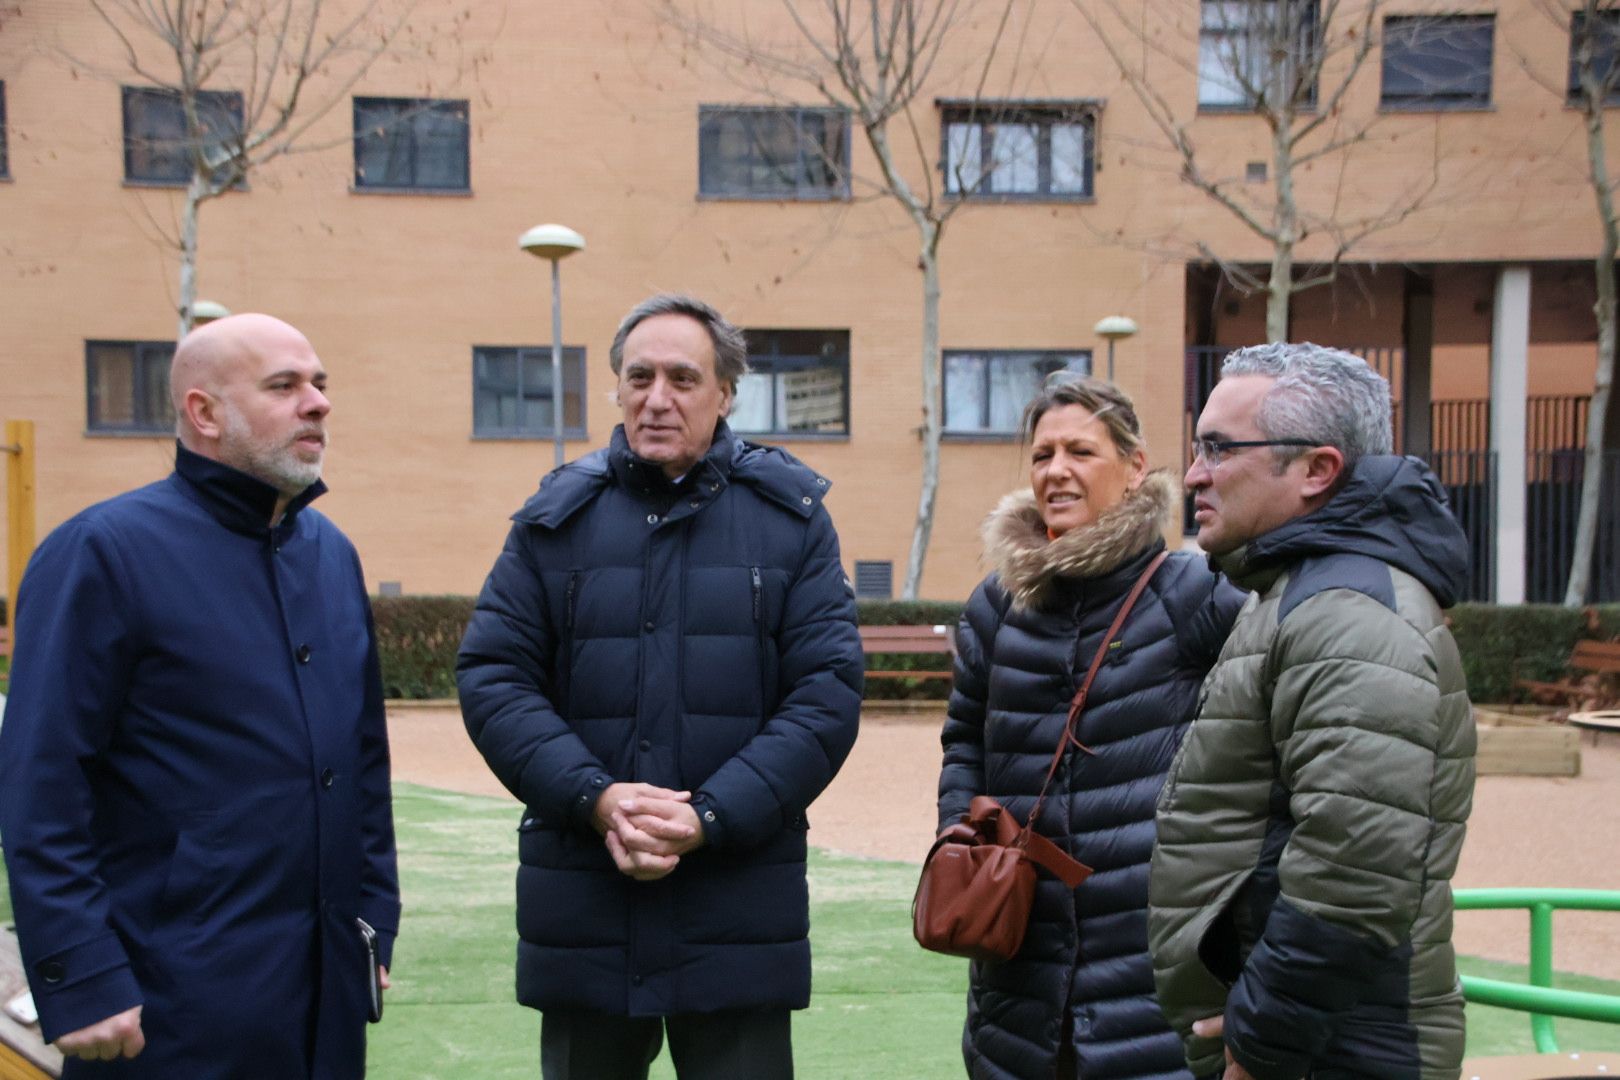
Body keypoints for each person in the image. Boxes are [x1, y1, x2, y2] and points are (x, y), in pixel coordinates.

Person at [456, 293, 864, 1080]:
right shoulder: (553, 521)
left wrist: (708, 816)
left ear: (724, 394)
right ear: (615, 387)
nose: (657, 398)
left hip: (736, 908)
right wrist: (596, 798)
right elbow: (493, 675)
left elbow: (827, 692)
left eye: (683, 378)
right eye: (639, 376)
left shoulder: (792, 521)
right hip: (585, 902)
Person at [0, 314, 400, 1078]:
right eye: (283, 386)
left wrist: (372, 921)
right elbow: (40, 783)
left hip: (323, 994)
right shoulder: (104, 553)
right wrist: (79, 975)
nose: (316, 402)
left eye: (319, 384)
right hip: (165, 1000)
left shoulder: (330, 555)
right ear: (204, 413)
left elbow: (362, 765)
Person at [1148, 343, 1475, 1080]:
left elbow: (1355, 865)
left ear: (1318, 470)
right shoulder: (1298, 590)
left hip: (1335, 1048)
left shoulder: (1348, 611)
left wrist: (1262, 1046)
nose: (1195, 473)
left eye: (1219, 448)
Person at [937, 376, 1244, 1080]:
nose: (1056, 471)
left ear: (1135, 468)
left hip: (1147, 960)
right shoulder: (997, 605)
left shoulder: (1194, 594)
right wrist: (963, 837)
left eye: (1081, 450)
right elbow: (963, 740)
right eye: (1043, 454)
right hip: (1017, 958)